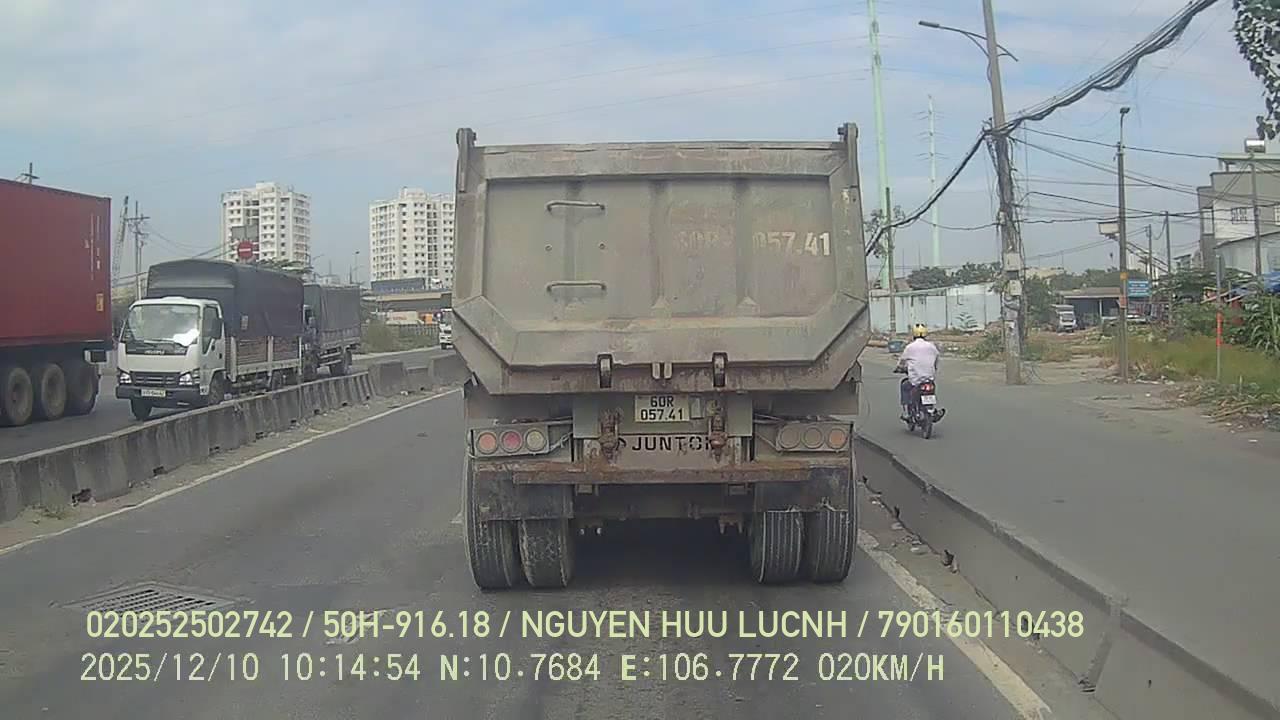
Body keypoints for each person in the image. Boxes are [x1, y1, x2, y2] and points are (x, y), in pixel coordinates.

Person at [898, 324, 940, 419]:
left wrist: (899, 367)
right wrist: (934, 368)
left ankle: (906, 412)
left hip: (915, 380)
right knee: (932, 389)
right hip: (929, 379)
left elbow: (902, 361)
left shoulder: (910, 347)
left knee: (904, 386)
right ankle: (932, 408)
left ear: (914, 334)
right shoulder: (932, 346)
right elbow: (937, 360)